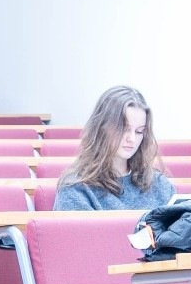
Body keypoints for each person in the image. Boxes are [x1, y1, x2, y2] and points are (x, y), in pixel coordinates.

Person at [54, 84, 175, 212]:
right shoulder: (76, 189)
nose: (132, 139)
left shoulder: (159, 184)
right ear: (101, 128)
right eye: (124, 129)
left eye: (139, 131)